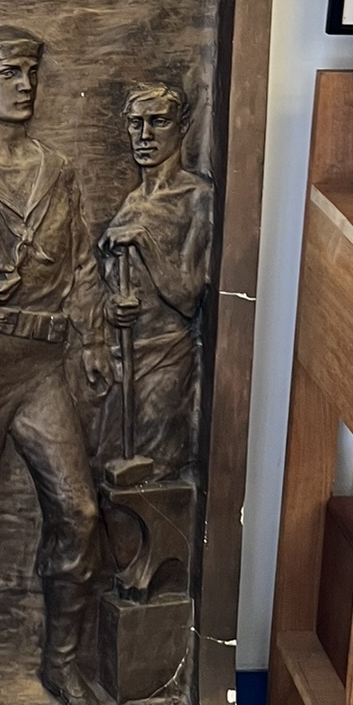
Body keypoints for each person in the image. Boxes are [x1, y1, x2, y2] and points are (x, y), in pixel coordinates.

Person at [0, 27, 112, 705]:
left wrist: (94, 337)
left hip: (42, 364)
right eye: (7, 72)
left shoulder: (57, 169)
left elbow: (82, 264)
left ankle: (61, 662)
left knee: (80, 513)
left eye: (30, 72)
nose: (23, 84)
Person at [99, 83, 213, 484]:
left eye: (158, 122)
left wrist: (145, 242)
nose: (144, 135)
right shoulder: (132, 202)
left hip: (167, 360)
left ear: (182, 126)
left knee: (156, 478)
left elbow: (188, 296)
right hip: (125, 358)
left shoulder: (197, 197)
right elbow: (113, 289)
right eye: (136, 124)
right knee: (109, 471)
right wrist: (113, 307)